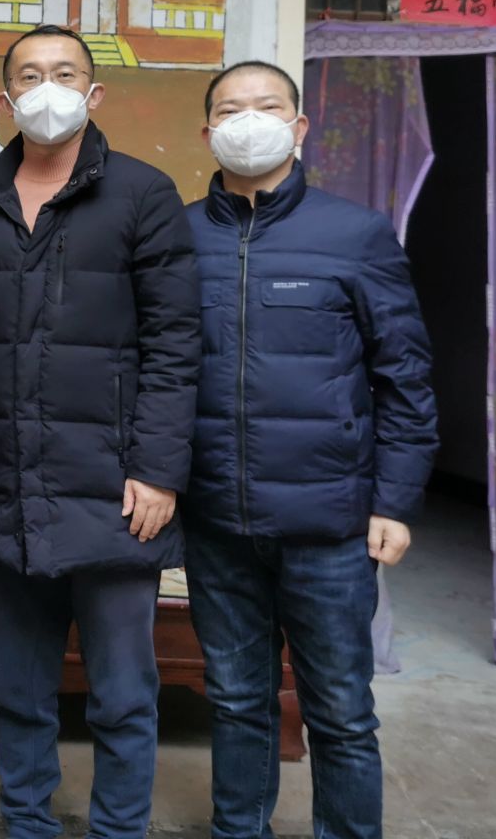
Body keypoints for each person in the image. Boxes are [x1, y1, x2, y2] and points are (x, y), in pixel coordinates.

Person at [0, 24, 202, 839]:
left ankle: (119, 828)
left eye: (64, 73)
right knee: (19, 687)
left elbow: (175, 342)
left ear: (94, 93)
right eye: (29, 74)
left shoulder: (143, 193)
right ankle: (28, 821)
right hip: (5, 478)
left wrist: (159, 470)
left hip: (115, 487)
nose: (46, 88)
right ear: (5, 97)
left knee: (122, 694)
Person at [184, 60, 438, 839]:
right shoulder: (178, 236)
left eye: (267, 106)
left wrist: (395, 501)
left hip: (330, 523)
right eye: (232, 109)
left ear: (298, 127)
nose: (249, 120)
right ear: (208, 132)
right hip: (217, 520)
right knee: (236, 701)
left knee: (340, 711)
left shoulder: (354, 234)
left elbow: (405, 377)